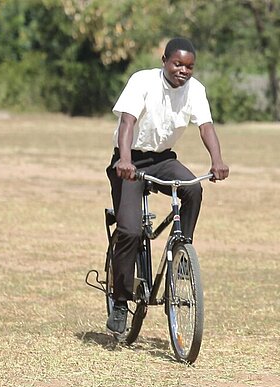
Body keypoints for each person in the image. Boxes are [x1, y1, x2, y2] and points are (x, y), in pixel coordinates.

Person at [106, 37, 229, 335]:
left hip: (163, 159)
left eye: (189, 66)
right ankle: (121, 301)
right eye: (177, 64)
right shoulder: (142, 81)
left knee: (192, 188)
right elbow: (128, 122)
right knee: (130, 231)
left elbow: (206, 127)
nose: (183, 71)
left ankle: (183, 249)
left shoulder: (195, 90)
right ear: (164, 60)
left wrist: (217, 161)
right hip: (130, 161)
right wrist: (124, 161)